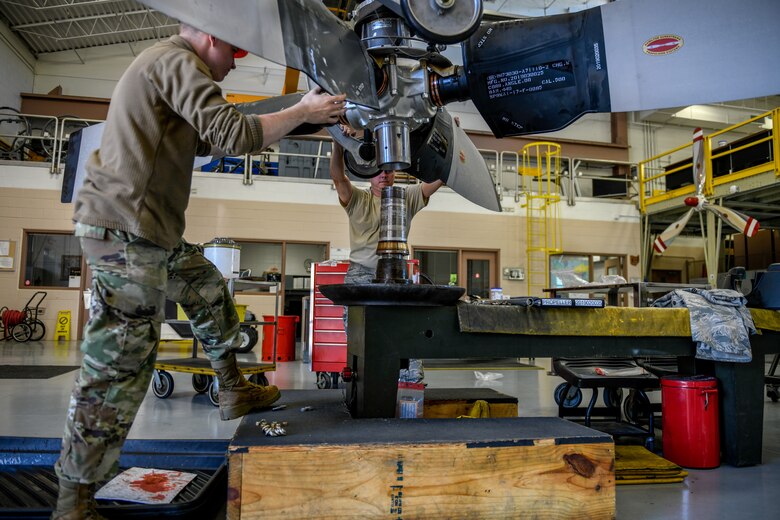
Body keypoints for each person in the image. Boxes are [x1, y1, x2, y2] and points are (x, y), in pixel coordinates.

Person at [52, 24, 346, 520]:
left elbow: (208, 142)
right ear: (212, 38)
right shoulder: (177, 62)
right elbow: (230, 134)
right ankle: (73, 500)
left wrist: (307, 120)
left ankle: (231, 385)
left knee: (206, 286)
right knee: (121, 362)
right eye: (235, 52)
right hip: (126, 230)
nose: (234, 64)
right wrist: (301, 111)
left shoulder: (172, 68)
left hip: (149, 230)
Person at [329, 136, 443, 383]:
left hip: (395, 275)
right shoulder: (357, 199)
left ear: (395, 172)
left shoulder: (407, 197)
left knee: (406, 327)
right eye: (378, 171)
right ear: (368, 173)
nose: (384, 175)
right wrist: (338, 142)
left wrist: (447, 149)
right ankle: (367, 382)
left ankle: (410, 384)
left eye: (389, 170)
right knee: (360, 335)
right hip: (360, 276)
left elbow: (437, 180)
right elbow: (338, 178)